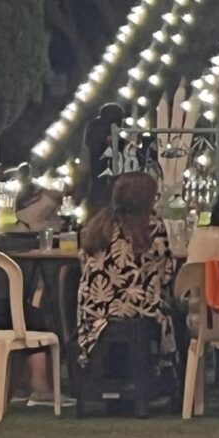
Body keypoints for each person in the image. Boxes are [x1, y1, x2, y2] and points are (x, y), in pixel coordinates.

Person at [74, 171, 177, 411]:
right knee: (173, 313)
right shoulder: (152, 227)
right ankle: (167, 384)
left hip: (94, 312)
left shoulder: (98, 225)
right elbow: (166, 273)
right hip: (136, 310)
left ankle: (115, 381)